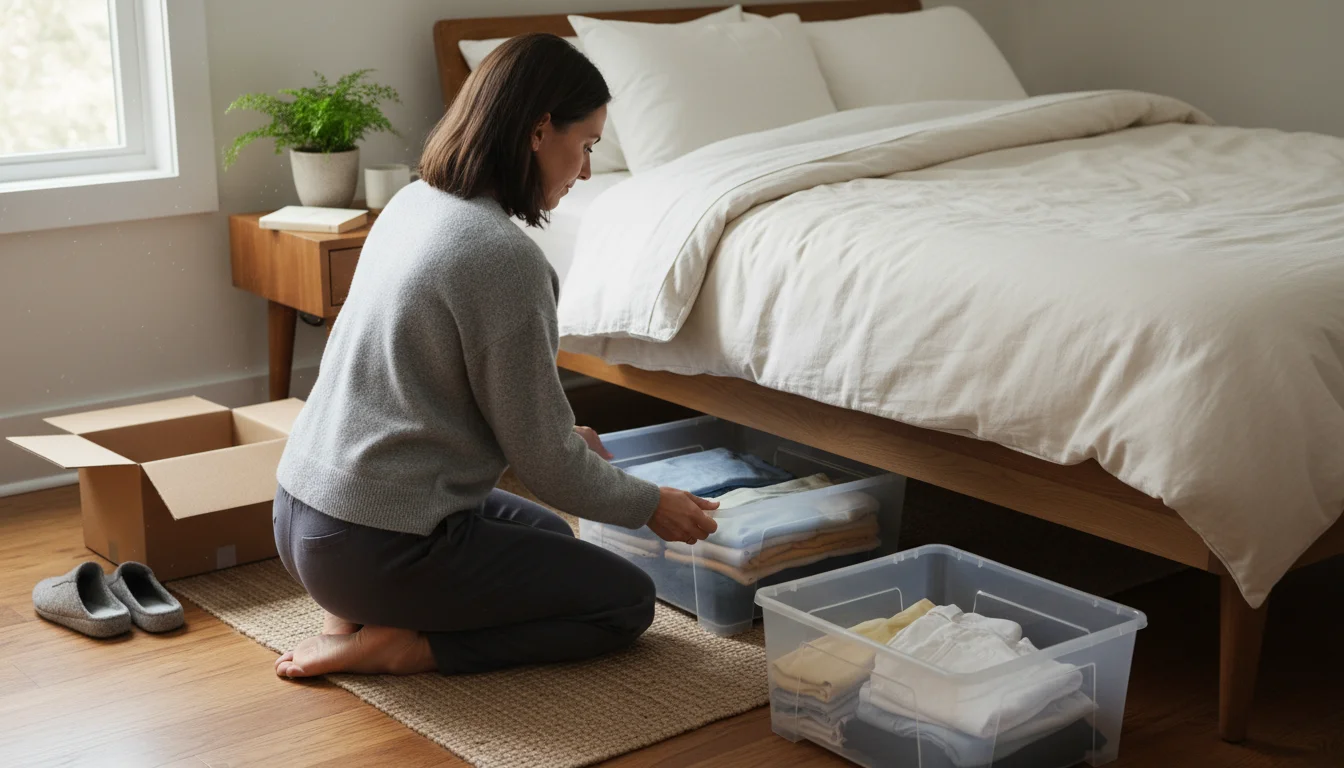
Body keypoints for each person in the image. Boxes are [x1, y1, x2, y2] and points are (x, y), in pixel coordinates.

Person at [269, 34, 719, 678]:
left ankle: (349, 616)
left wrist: (560, 439)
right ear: (540, 131)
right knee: (624, 601)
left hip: (302, 512)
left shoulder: (415, 202)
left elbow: (451, 392)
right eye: (586, 145)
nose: (587, 169)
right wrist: (650, 504)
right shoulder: (502, 258)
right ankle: (407, 645)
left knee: (551, 537)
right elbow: (548, 465)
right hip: (370, 548)